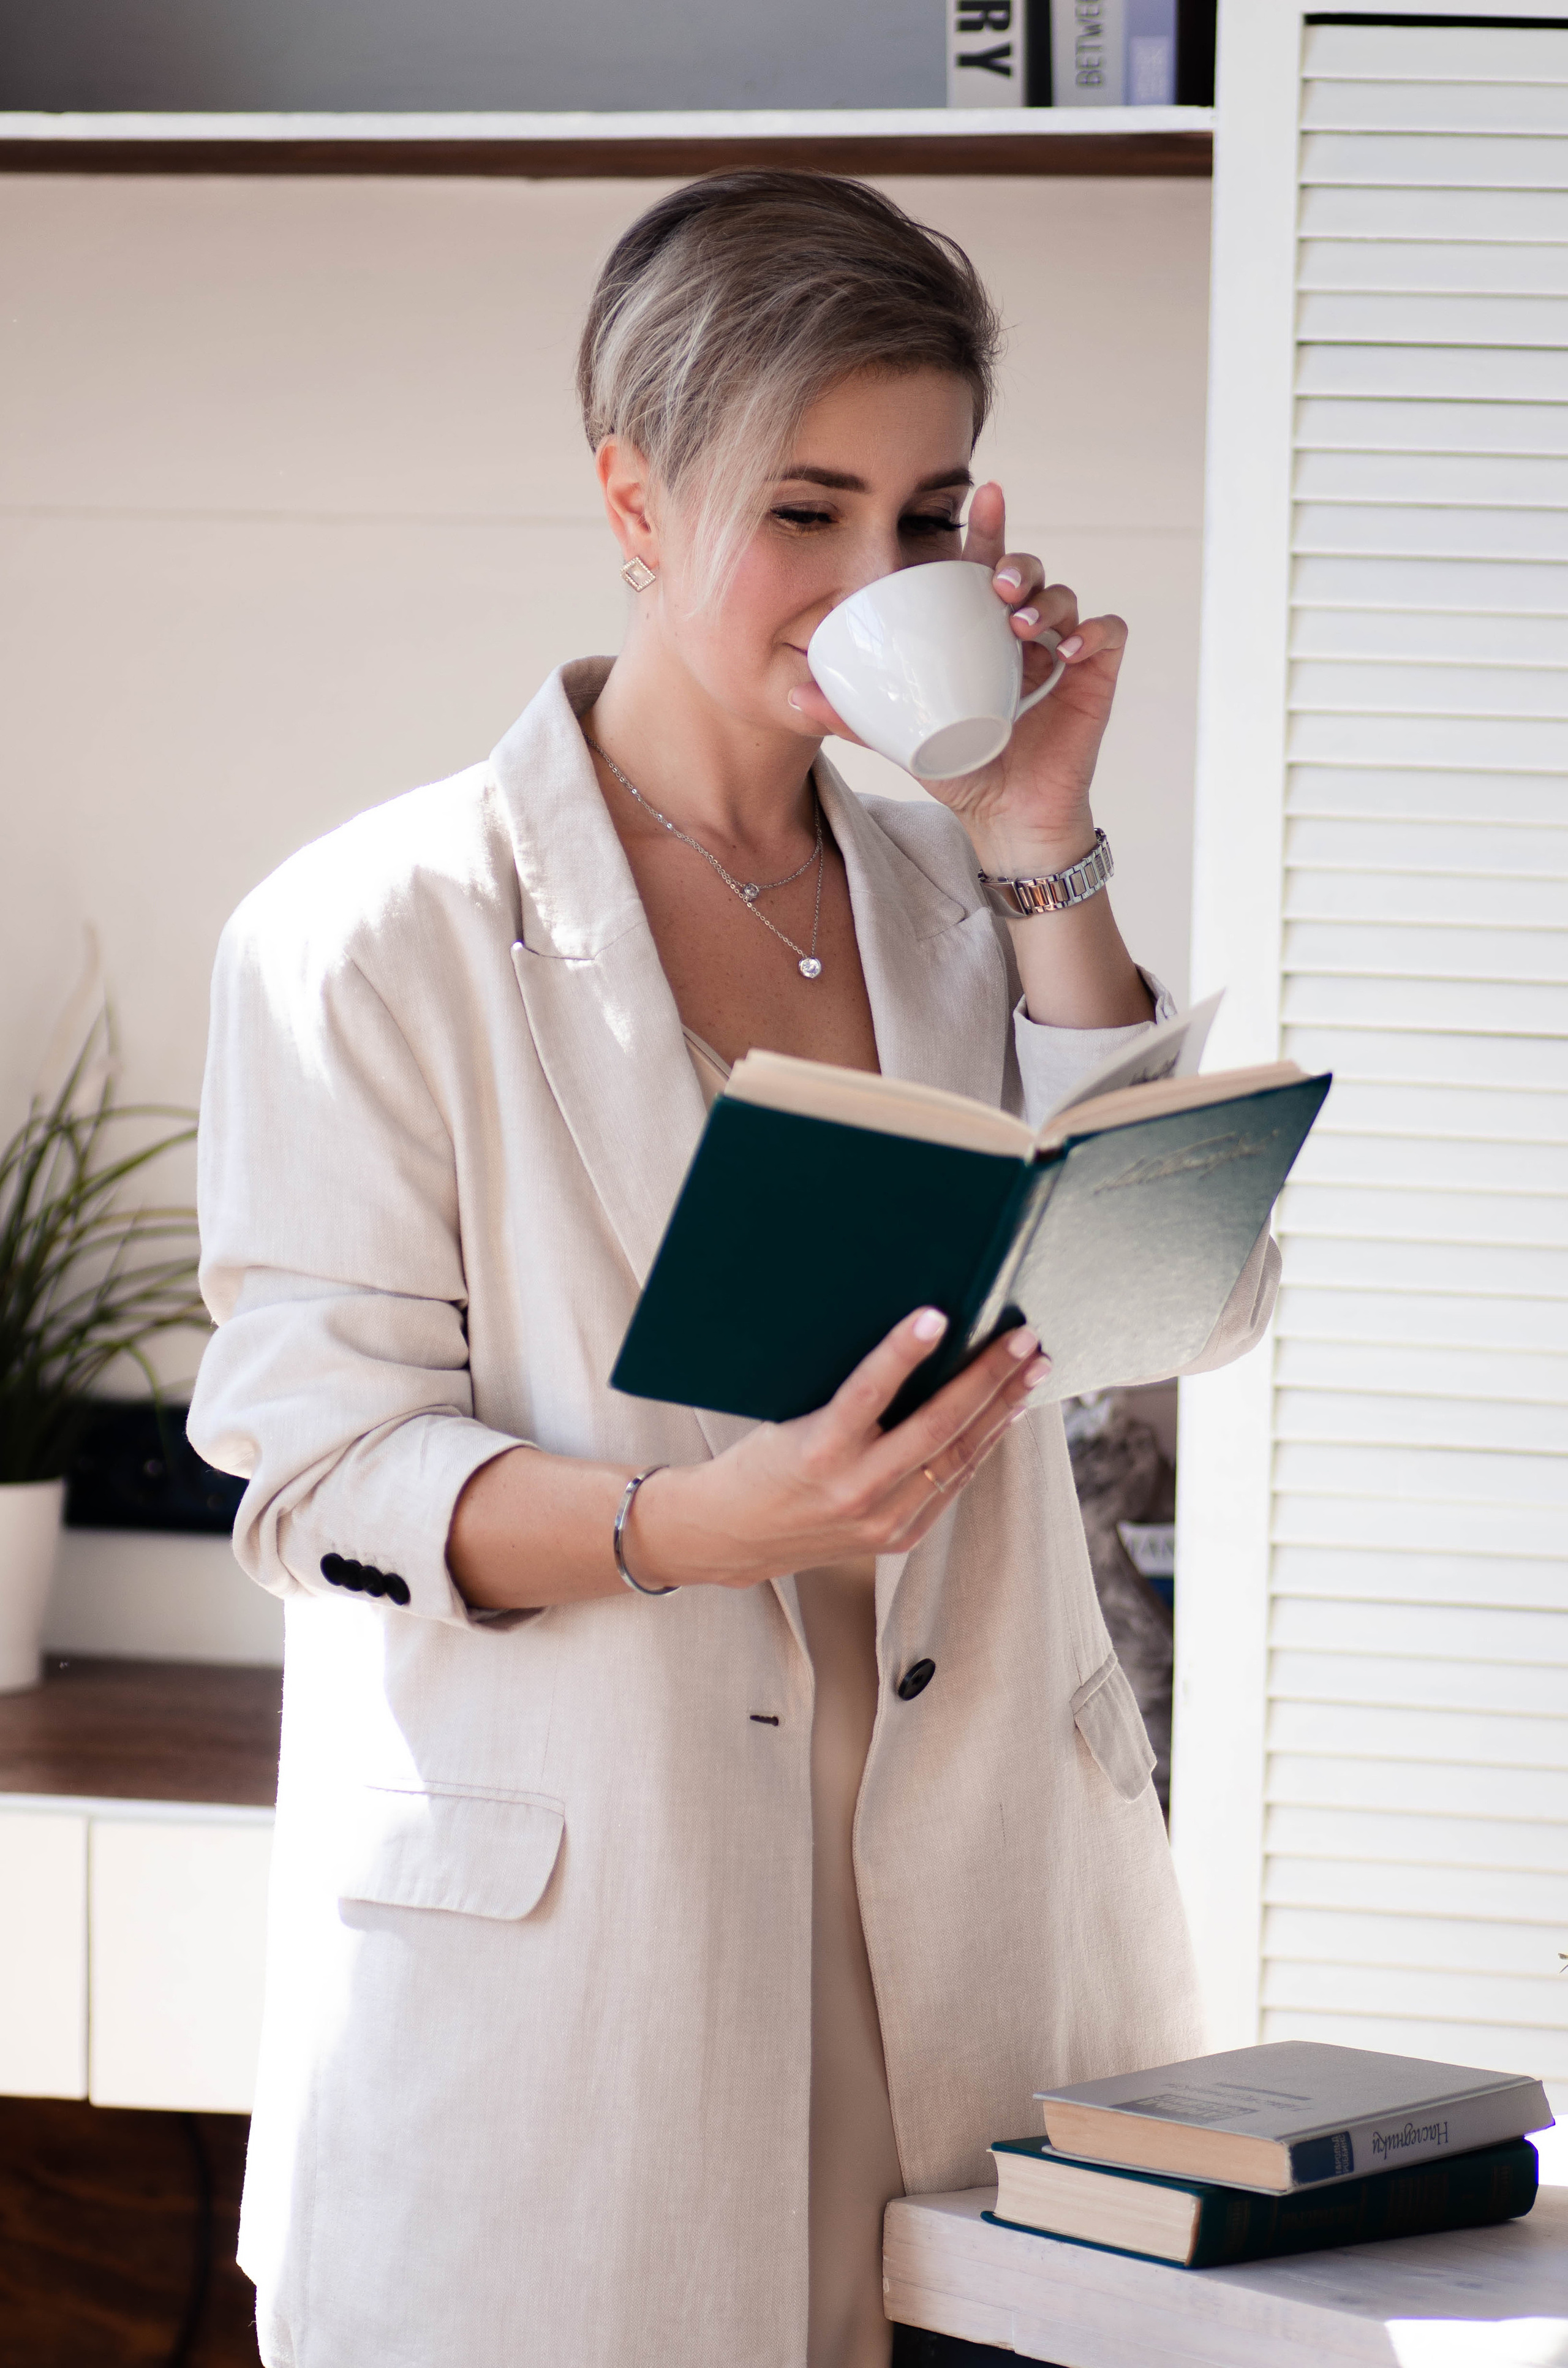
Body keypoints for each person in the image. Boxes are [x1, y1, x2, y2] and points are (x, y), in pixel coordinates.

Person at [189, 172, 1278, 2368]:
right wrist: (700, 1527)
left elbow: (1183, 1310)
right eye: (806, 506)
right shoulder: (370, 931)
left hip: (977, 1945)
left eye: (926, 511)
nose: (874, 576)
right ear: (632, 493)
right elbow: (318, 1476)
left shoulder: (963, 895)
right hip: (596, 1977)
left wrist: (1038, 827)